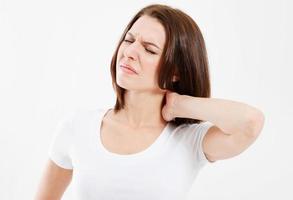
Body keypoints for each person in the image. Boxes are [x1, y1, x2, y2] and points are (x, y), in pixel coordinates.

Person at [34, 4, 265, 200]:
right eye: (129, 39)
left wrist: (179, 104)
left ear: (175, 72)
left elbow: (251, 122)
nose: (130, 52)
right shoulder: (77, 127)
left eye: (149, 49)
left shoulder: (189, 140)